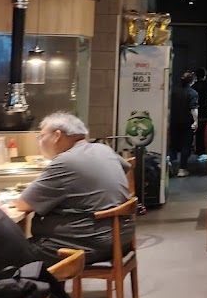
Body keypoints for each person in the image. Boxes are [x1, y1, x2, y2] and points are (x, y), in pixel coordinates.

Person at [15, 112, 133, 266]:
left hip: (86, 244)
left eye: (41, 136)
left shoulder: (65, 161)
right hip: (121, 238)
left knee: (9, 253)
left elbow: (23, 205)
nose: (40, 142)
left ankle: (39, 289)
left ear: (57, 135)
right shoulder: (102, 149)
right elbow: (127, 168)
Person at [169, 72, 199, 173]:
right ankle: (182, 169)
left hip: (173, 121)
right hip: (187, 122)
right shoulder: (193, 93)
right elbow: (193, 109)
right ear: (192, 81)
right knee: (185, 145)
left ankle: (170, 167)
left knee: (173, 144)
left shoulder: (173, 91)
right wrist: (196, 121)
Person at [192, 67, 207, 156]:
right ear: (204, 75)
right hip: (204, 110)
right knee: (203, 131)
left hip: (195, 111)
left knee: (197, 131)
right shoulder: (206, 84)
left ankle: (197, 149)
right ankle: (202, 150)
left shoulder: (194, 86)